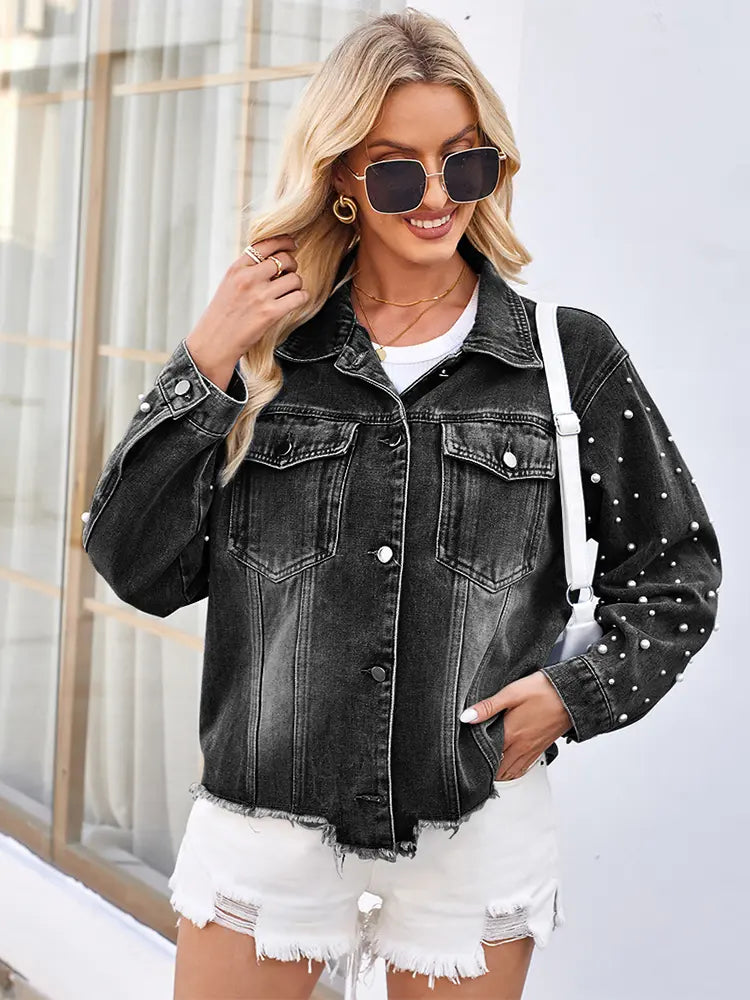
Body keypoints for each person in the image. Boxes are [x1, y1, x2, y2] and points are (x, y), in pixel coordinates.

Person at [81, 8, 722, 1000]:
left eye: (463, 163)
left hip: (475, 826)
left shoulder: (566, 359)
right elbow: (136, 563)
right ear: (341, 175)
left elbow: (676, 573)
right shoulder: (269, 358)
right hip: (266, 827)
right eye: (395, 171)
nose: (434, 197)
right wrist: (205, 358)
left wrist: (574, 697)